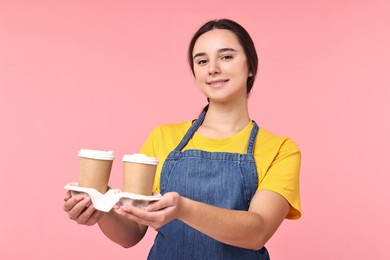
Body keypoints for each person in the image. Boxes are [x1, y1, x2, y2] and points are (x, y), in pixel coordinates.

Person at [63, 18, 301, 259]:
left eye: (226, 57)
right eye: (202, 61)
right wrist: (100, 208)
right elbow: (131, 234)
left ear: (250, 66)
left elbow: (256, 232)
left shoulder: (280, 150)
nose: (213, 69)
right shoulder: (163, 138)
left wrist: (183, 209)